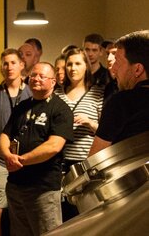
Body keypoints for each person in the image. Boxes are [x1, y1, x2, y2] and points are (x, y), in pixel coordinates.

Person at [0, 62, 73, 236]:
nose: (36, 79)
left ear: (53, 82)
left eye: (42, 76)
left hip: (43, 188)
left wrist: (21, 160)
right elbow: (4, 136)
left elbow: (54, 146)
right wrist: (8, 155)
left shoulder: (61, 109)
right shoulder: (21, 106)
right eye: (33, 75)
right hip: (16, 185)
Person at [0, 48, 32, 236]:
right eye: (5, 63)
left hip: (25, 160)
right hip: (0, 160)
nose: (9, 67)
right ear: (1, 67)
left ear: (21, 65)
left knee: (20, 212)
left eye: (13, 62)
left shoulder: (31, 92)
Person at [54, 47, 104, 220]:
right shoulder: (57, 94)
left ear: (86, 67)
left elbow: (104, 130)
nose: (72, 68)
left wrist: (89, 122)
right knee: (64, 215)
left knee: (87, 213)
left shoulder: (97, 92)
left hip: (87, 161)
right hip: (61, 162)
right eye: (69, 64)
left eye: (77, 63)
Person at [89, 30, 149, 156]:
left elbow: (95, 161)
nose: (113, 68)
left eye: (117, 62)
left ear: (137, 69)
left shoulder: (121, 103)